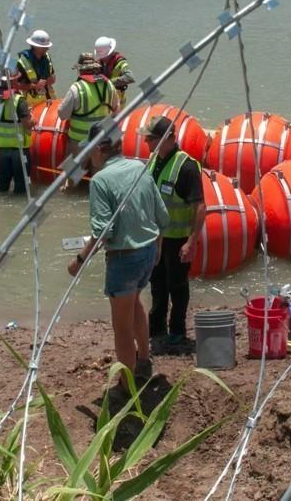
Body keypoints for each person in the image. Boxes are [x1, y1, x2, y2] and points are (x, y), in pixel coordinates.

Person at [68, 122, 168, 389]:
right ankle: (144, 359)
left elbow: (104, 232)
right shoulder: (140, 167)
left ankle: (127, 385)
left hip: (125, 259)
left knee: (121, 327)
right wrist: (157, 247)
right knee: (135, 303)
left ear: (98, 149)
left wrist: (78, 261)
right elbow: (162, 215)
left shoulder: (100, 181)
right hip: (148, 252)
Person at [142, 115, 206, 354]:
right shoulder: (153, 161)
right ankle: (156, 327)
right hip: (156, 238)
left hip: (177, 239)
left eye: (151, 138)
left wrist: (192, 242)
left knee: (177, 286)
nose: (147, 142)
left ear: (168, 138)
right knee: (157, 284)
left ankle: (177, 331)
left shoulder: (186, 166)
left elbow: (200, 207)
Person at [58, 53, 120, 159]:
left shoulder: (77, 87)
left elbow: (62, 114)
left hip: (79, 141)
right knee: (98, 172)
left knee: (74, 172)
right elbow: (117, 110)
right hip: (101, 139)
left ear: (80, 70)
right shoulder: (108, 84)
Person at [0, 76, 33, 195]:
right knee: (21, 187)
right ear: (13, 83)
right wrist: (34, 120)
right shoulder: (19, 100)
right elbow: (27, 125)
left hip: (1, 149)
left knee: (2, 185)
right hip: (19, 149)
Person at [16, 29, 56, 107]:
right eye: (44, 47)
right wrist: (36, 86)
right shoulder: (22, 62)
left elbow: (53, 77)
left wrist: (50, 80)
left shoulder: (47, 58)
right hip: (31, 103)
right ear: (35, 47)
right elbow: (18, 85)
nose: (47, 49)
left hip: (49, 100)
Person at [94, 36, 135, 107]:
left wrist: (109, 82)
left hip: (118, 103)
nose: (102, 58)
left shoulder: (120, 63)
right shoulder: (99, 63)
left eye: (104, 57)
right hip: (103, 103)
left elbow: (130, 77)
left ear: (110, 53)